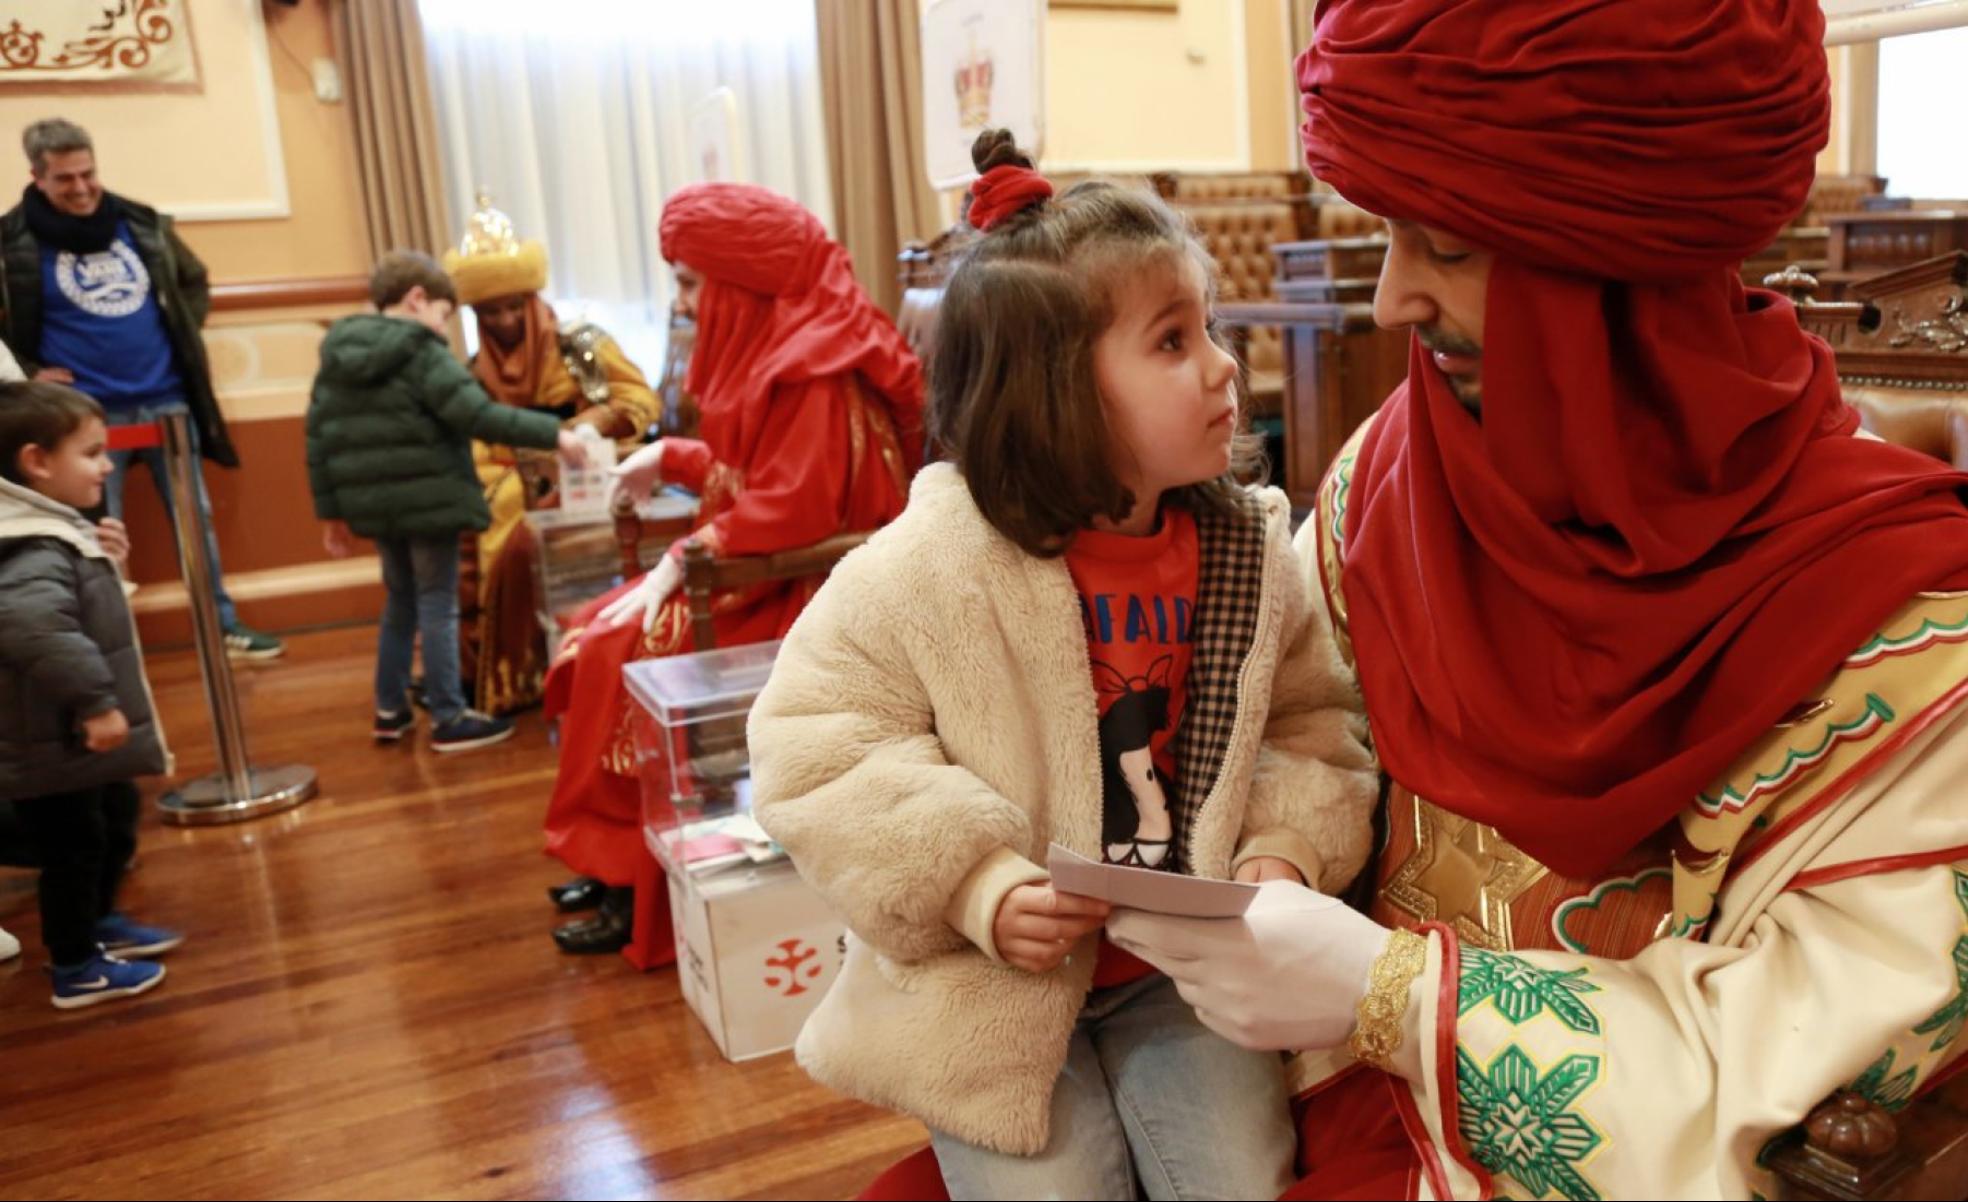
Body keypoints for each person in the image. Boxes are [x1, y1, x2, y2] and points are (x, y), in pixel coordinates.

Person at [1094, 2, 1968, 1198]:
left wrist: (1389, 994)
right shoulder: (1393, 471)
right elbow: (1294, 732)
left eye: (1446, 247)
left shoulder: (1909, 632)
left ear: (1623, 265)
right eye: (1389, 238)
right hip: (1318, 1090)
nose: (1393, 299)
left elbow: (1824, 1081)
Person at [746, 131, 1380, 1202]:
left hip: (1185, 971)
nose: (1225, 368)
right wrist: (976, 879)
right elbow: (816, 744)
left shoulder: (1245, 552)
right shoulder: (928, 564)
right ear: (1054, 390)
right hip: (987, 989)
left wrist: (1282, 850)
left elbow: (1311, 723)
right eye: (1173, 342)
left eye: (1210, 328)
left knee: (1241, 1177)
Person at [539, 181, 924, 957]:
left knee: (611, 650)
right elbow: (761, 470)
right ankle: (610, 853)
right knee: (593, 630)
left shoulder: (817, 367)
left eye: (688, 281)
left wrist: (688, 554)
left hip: (807, 597)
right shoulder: (796, 342)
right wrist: (671, 455)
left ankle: (626, 873)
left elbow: (798, 510)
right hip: (762, 577)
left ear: (739, 279)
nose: (680, 301)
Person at [0, 117, 283, 661]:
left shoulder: (141, 222)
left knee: (193, 520)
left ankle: (221, 624)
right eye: (65, 180)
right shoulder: (13, 242)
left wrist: (181, 325)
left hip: (167, 402)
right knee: (90, 530)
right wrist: (30, 370)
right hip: (80, 418)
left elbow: (193, 279)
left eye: (89, 174)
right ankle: (102, 641)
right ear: (37, 178)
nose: (81, 189)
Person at [307, 251, 589, 753]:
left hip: (373, 504)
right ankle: (448, 716)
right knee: (438, 601)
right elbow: (477, 415)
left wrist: (331, 514)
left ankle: (390, 711)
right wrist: (555, 435)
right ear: (417, 299)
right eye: (443, 312)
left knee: (400, 601)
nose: (443, 325)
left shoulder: (337, 355)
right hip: (428, 498)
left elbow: (318, 437)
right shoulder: (421, 352)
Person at [439, 197, 659, 717]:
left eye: (515, 306)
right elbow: (476, 445)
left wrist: (591, 423)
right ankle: (499, 675)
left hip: (587, 472)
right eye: (491, 312)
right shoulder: (471, 370)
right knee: (482, 526)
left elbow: (640, 401)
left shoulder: (580, 346)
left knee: (515, 531)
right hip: (508, 478)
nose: (506, 320)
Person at [0, 382, 180, 1009]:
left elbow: (84, 612)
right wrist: (98, 702)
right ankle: (76, 965)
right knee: (72, 848)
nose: (108, 464)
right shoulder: (29, 544)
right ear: (37, 462)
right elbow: (36, 627)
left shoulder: (52, 531)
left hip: (67, 739)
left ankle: (98, 925)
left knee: (111, 820)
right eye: (93, 452)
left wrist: (109, 564)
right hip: (54, 739)